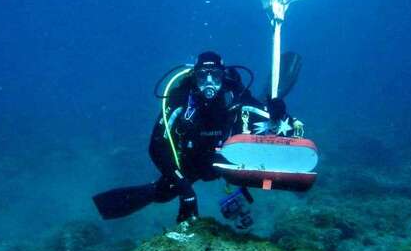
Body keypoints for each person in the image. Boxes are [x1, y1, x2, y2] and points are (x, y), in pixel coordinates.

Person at [93, 51, 303, 224]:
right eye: (203, 76)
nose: (209, 83)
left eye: (215, 76)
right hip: (191, 164)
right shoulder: (180, 99)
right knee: (162, 194)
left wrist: (279, 114)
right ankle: (106, 206)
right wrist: (185, 189)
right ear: (195, 77)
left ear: (223, 77)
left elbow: (272, 121)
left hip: (229, 157)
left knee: (257, 134)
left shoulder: (235, 95)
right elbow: (157, 147)